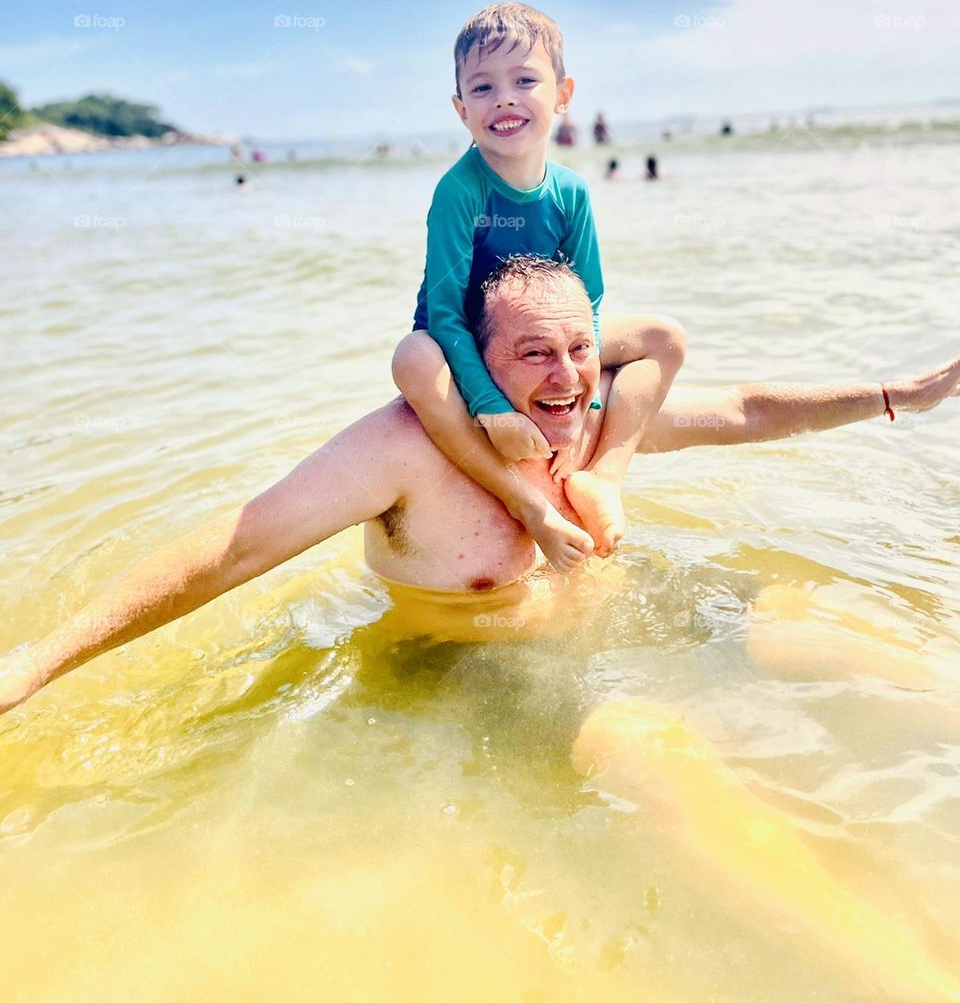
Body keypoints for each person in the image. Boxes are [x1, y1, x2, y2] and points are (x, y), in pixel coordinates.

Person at [3, 255, 956, 719]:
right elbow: (238, 545)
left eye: (581, 349)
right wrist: (38, 662)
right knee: (678, 784)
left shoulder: (589, 415)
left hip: (623, 622)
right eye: (534, 354)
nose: (567, 376)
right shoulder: (404, 449)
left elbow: (746, 408)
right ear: (477, 365)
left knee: (881, 652)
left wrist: (896, 395)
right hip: (473, 678)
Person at [392, 2, 687, 574]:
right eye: (482, 87)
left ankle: (602, 477)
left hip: (536, 341)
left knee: (664, 338)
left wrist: (587, 392)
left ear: (563, 94)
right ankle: (529, 505)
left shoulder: (571, 191)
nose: (503, 98)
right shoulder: (459, 192)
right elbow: (446, 316)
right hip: (463, 344)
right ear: (461, 109)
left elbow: (590, 301)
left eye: (524, 80)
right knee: (411, 357)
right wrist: (493, 407)